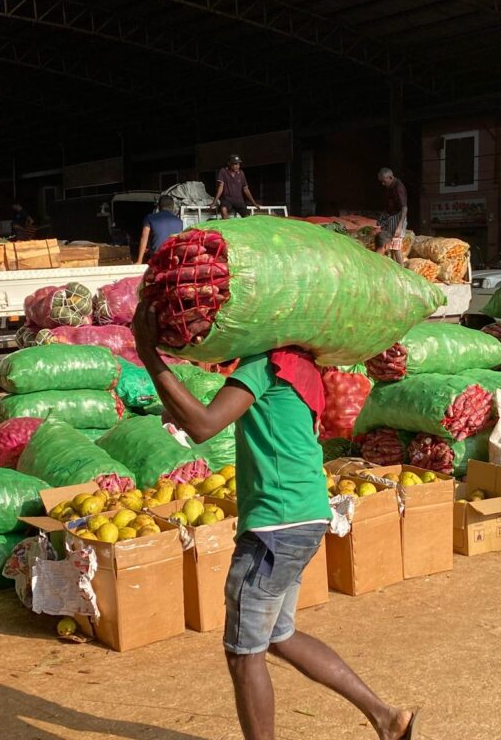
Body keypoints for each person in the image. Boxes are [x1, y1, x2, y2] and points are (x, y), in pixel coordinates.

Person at [131, 305, 420, 740]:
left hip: (276, 527)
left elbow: (205, 426)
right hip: (304, 517)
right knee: (279, 636)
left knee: (243, 654)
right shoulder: (298, 364)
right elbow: (237, 420)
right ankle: (387, 717)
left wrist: (149, 355)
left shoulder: (263, 364)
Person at [136, 195, 183, 264]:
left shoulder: (149, 218)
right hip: (172, 259)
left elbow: (144, 237)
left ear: (159, 207)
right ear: (172, 208)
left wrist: (139, 261)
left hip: (157, 259)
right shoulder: (179, 221)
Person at [376, 167, 407, 264]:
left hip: (399, 217)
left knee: (396, 247)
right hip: (391, 216)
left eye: (384, 181)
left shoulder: (399, 188)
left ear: (390, 177)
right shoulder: (389, 187)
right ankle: (394, 266)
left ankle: (401, 269)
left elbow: (404, 208)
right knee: (390, 246)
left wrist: (399, 226)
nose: (383, 184)